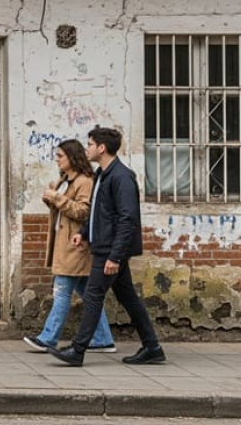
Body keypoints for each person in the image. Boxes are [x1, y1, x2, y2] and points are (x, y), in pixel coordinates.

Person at [49, 126, 167, 367]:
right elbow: (97, 211)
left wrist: (115, 256)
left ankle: (78, 350)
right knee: (129, 298)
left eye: (90, 144)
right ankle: (152, 347)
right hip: (104, 246)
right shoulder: (103, 174)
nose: (88, 148)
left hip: (110, 250)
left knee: (93, 296)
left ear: (101, 148)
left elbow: (127, 219)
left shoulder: (122, 177)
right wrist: (83, 233)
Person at [23, 139, 116, 353]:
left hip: (76, 246)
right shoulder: (65, 179)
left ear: (72, 158)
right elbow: (64, 207)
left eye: (60, 156)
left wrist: (57, 199)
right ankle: (103, 338)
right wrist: (51, 198)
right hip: (65, 244)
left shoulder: (85, 181)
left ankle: (48, 338)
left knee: (62, 290)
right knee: (87, 294)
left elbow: (84, 212)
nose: (57, 160)